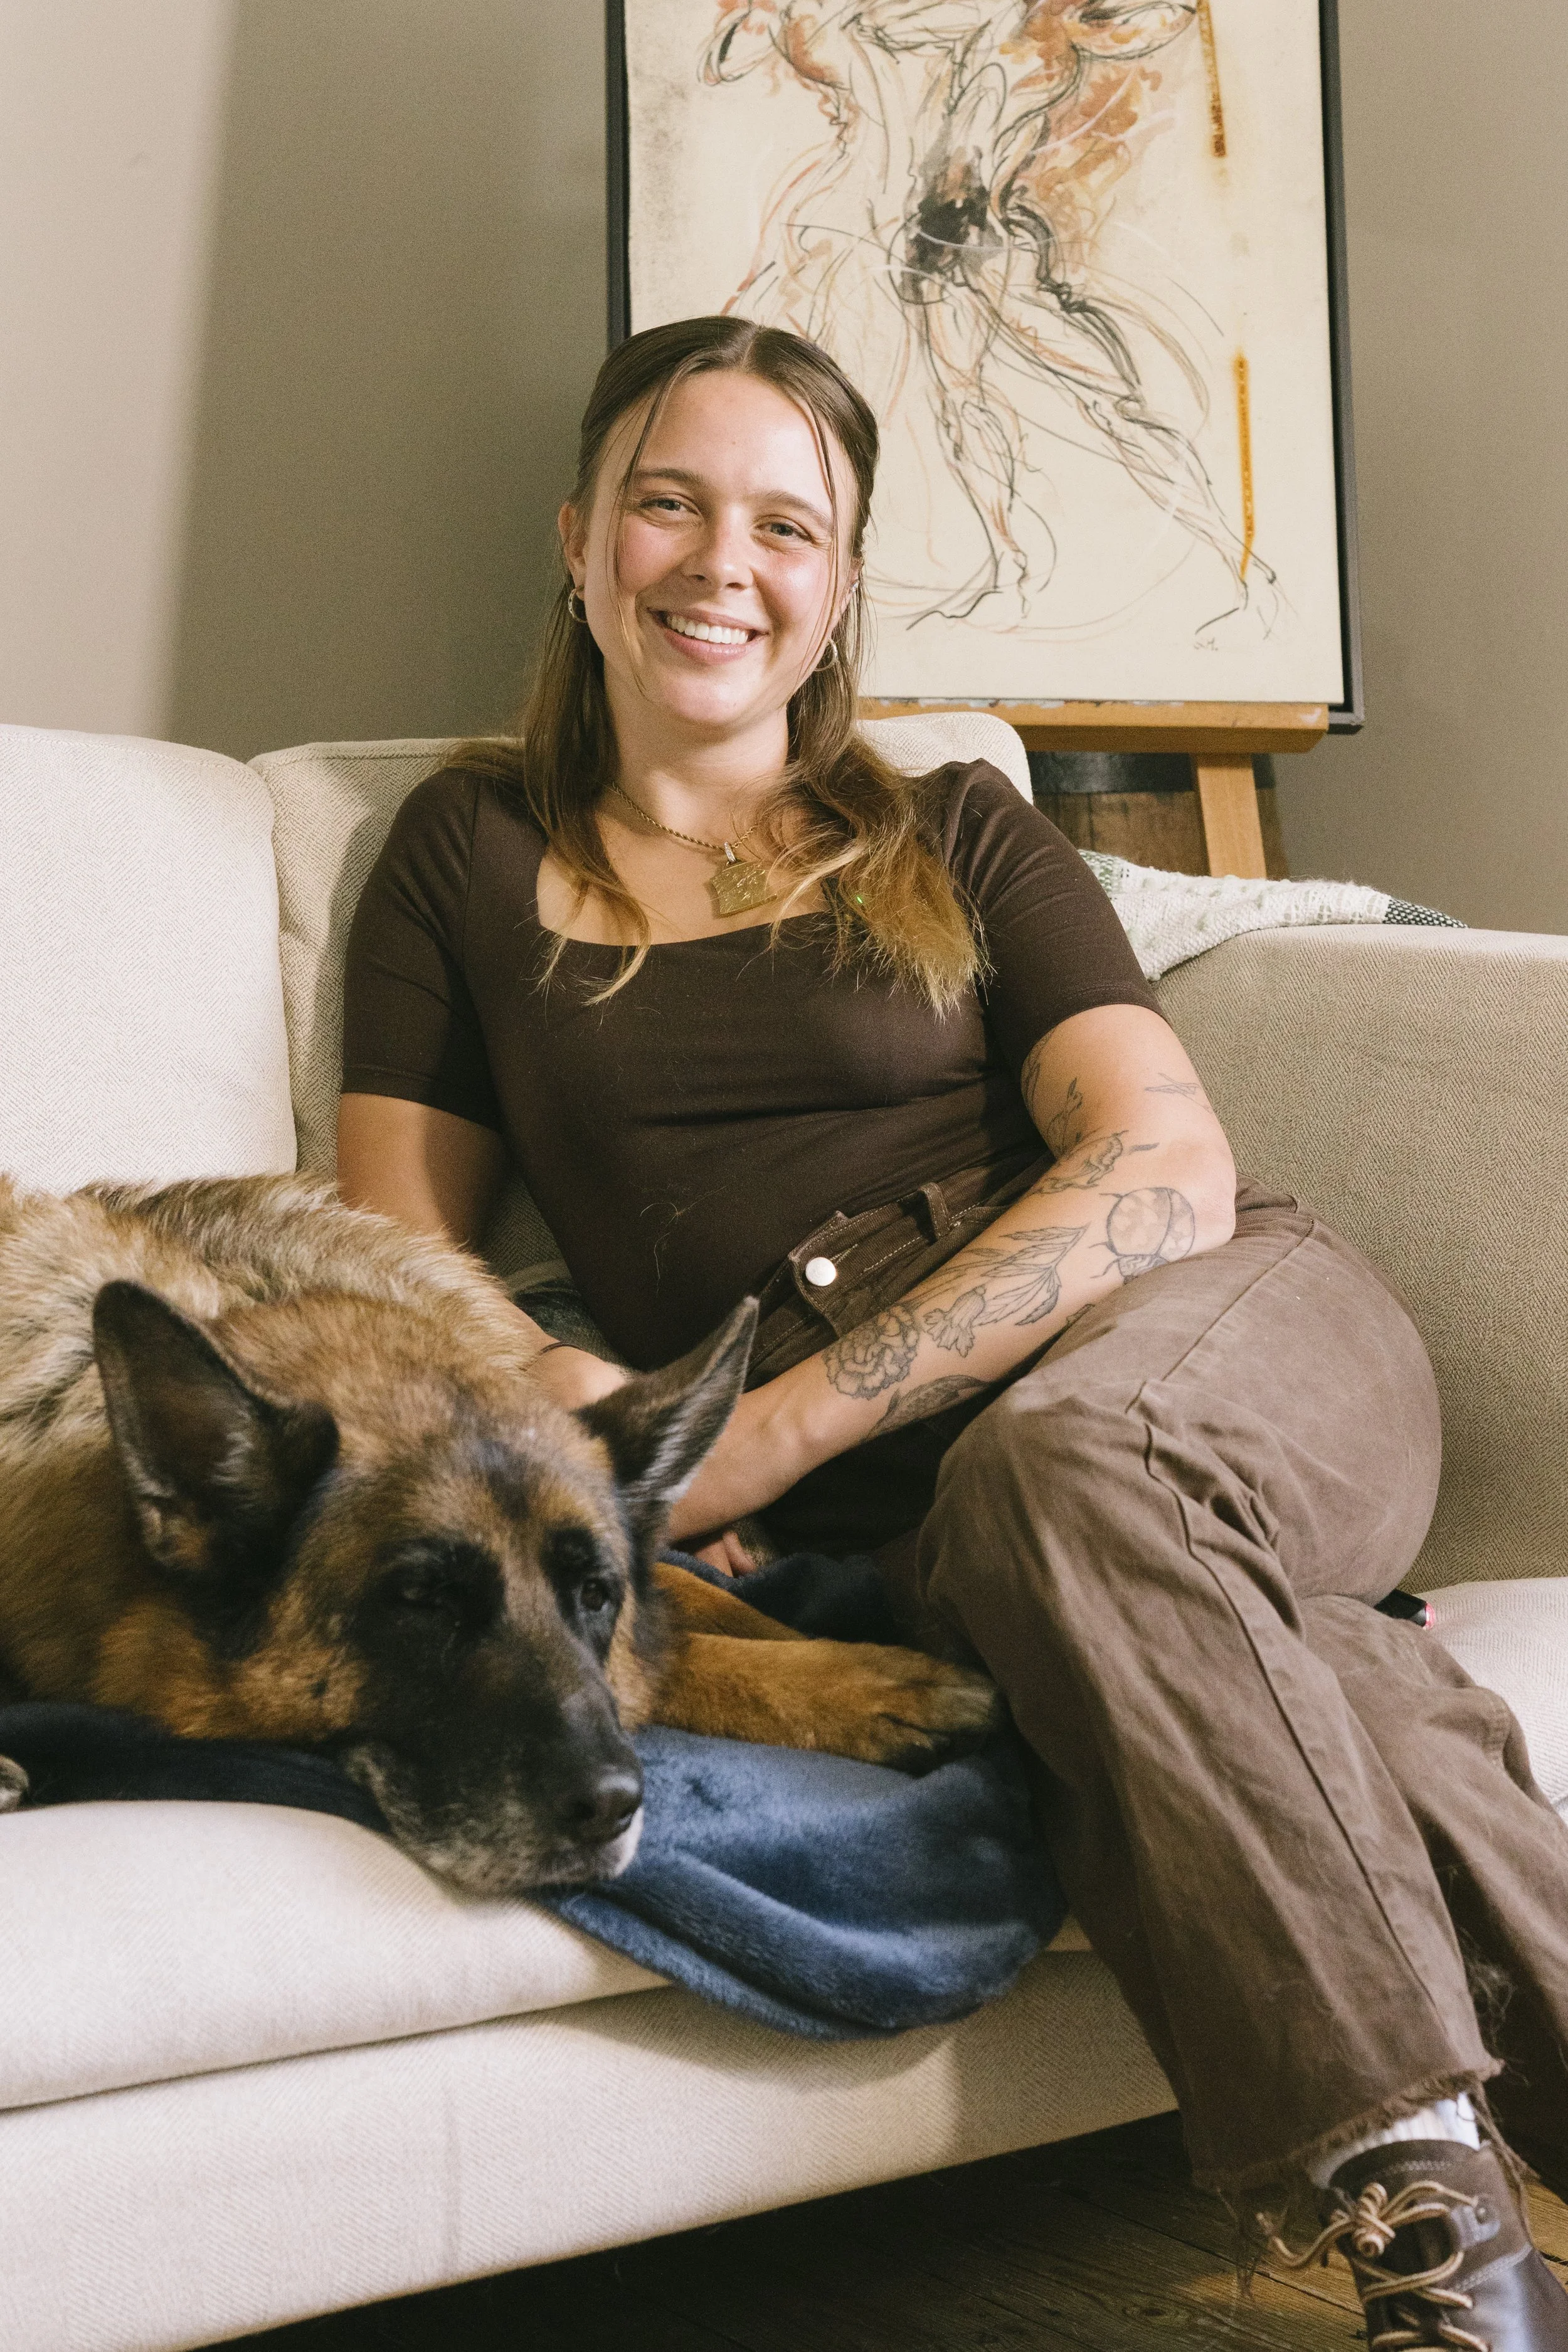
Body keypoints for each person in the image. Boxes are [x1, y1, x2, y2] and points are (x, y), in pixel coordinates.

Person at [337, 314, 1568, 2346]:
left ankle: (1420, 2225)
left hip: (1224, 1335)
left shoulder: (954, 832)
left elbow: (1160, 1170)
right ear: (579, 539)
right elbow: (398, 1266)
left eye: (784, 525)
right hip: (968, 1524)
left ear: (834, 593)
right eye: (668, 500)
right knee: (1311, 1670)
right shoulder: (468, 858)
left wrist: (761, 1438)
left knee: (1066, 1466)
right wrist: (611, 1447)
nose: (720, 560)